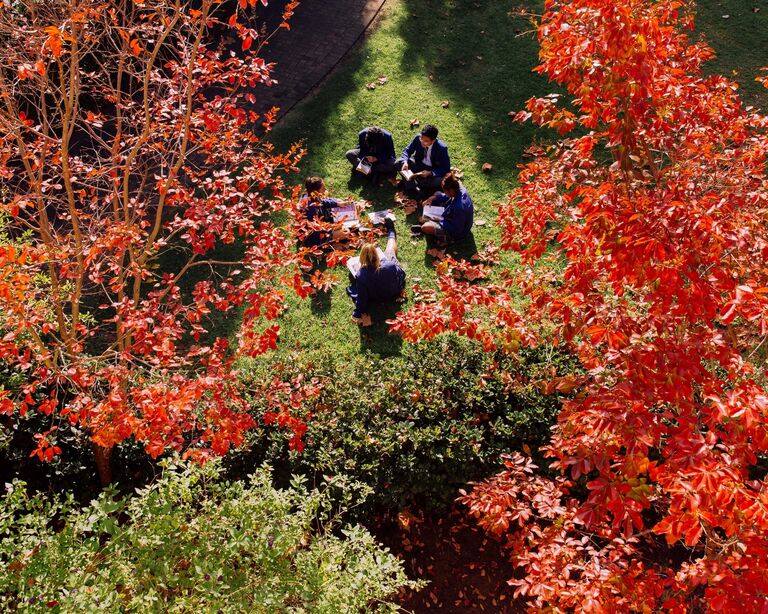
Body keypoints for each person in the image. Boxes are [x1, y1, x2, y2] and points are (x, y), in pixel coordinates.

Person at [346, 216, 406, 326]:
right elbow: (400, 274)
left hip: (375, 296)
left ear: (362, 258)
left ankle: (391, 230)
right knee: (390, 250)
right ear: (377, 255)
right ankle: (391, 230)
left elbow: (362, 299)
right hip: (393, 292)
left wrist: (357, 313)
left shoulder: (361, 275)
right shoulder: (389, 265)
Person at [395, 124, 451, 199]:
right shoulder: (417, 138)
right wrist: (405, 162)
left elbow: (446, 168)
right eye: (421, 138)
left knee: (440, 180)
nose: (422, 142)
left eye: (426, 141)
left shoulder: (442, 148)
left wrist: (431, 173)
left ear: (433, 140)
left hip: (431, 170)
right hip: (418, 164)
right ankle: (412, 188)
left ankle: (415, 184)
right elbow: (407, 150)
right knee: (398, 163)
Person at [416, 173, 474, 242]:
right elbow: (446, 196)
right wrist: (432, 198)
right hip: (452, 217)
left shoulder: (459, 207)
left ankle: (437, 233)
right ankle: (429, 223)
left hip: (458, 233)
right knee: (437, 194)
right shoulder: (458, 188)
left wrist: (439, 221)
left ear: (451, 191)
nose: (445, 193)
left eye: (445, 192)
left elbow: (456, 229)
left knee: (425, 227)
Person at [296, 176, 340, 248]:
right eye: (323, 188)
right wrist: (332, 228)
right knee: (344, 232)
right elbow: (316, 230)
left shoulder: (310, 194)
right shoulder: (311, 209)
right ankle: (328, 246)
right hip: (313, 237)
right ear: (315, 191)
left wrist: (337, 204)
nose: (325, 189)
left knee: (337, 202)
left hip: (319, 226)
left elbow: (321, 202)